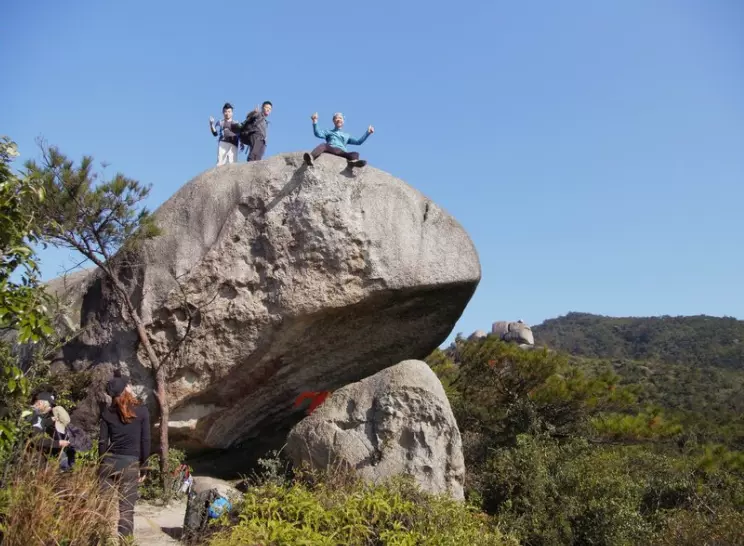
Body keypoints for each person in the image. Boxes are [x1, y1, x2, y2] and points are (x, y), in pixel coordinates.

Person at [98, 375, 151, 538]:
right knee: (126, 510)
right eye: (128, 385)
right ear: (125, 390)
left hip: (108, 463)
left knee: (102, 508)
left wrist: (101, 463)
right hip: (130, 464)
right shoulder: (141, 411)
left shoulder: (107, 413)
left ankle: (100, 539)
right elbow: (145, 440)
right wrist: (144, 466)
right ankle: (125, 542)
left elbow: (102, 442)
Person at [303, 112, 374, 168]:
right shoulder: (329, 132)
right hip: (332, 148)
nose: (338, 119)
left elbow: (358, 142)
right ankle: (311, 157)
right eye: (336, 118)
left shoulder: (347, 135)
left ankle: (353, 163)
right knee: (324, 145)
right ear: (333, 121)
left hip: (342, 152)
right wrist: (315, 121)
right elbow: (317, 133)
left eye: (340, 118)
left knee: (355, 154)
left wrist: (368, 133)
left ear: (343, 121)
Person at [25, 391, 72, 466]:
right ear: (40, 403)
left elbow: (41, 423)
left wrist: (51, 419)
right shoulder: (33, 417)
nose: (50, 409)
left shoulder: (34, 414)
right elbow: (38, 440)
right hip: (29, 457)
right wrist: (59, 443)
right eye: (50, 406)